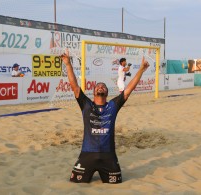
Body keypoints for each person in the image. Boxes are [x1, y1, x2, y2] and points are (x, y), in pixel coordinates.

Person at [60, 50, 150, 184]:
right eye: (98, 86)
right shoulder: (86, 104)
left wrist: (141, 70)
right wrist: (67, 64)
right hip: (87, 154)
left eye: (103, 86)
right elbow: (75, 86)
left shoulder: (113, 106)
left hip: (109, 156)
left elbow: (129, 89)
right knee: (75, 182)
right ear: (93, 91)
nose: (100, 87)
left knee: (116, 183)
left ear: (107, 92)